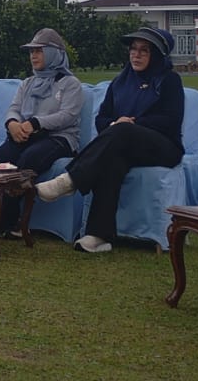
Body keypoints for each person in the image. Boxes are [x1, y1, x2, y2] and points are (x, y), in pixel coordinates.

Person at [35, 26, 185, 254]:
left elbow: (171, 120)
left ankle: (71, 179)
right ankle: (99, 236)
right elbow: (102, 118)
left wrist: (133, 124)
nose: (136, 55)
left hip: (163, 146)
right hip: (123, 143)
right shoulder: (121, 81)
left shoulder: (169, 80)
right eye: (133, 49)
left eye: (144, 50)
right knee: (111, 160)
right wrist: (115, 125)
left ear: (156, 55)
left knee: (122, 131)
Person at [0, 28, 85, 237]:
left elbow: (67, 116)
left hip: (60, 138)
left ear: (54, 54)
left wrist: (35, 123)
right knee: (1, 157)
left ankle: (13, 222)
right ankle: (2, 219)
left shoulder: (70, 84)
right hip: (28, 135)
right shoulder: (28, 83)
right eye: (31, 52)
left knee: (28, 159)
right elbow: (14, 108)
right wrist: (12, 124)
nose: (33, 56)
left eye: (39, 51)